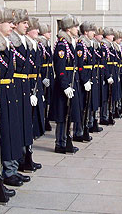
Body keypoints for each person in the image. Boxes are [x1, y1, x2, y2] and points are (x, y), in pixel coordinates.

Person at [0, 6, 28, 196]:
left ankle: (6, 175)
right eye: (9, 22)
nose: (12, 26)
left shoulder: (5, 44)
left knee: (8, 136)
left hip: (8, 95)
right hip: (0, 95)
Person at [9, 9, 42, 172]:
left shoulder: (25, 42)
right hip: (15, 88)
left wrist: (32, 91)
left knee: (26, 125)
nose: (27, 26)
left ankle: (26, 158)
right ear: (16, 25)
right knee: (19, 126)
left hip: (25, 88)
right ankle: (19, 161)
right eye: (24, 23)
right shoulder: (12, 42)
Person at [49, 14, 80, 154]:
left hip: (71, 81)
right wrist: (65, 85)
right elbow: (60, 67)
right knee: (62, 115)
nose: (77, 29)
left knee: (69, 113)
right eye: (75, 26)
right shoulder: (62, 44)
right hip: (64, 83)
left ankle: (66, 140)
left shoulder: (70, 43)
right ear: (68, 28)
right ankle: (60, 143)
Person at [75, 21, 97, 142]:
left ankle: (85, 129)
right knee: (82, 106)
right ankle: (79, 131)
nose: (94, 33)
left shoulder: (89, 44)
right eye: (92, 30)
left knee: (87, 106)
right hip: (84, 77)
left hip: (90, 76)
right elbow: (80, 64)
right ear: (86, 32)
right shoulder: (81, 45)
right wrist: (84, 80)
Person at [26, 18, 45, 139]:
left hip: (36, 81)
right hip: (27, 82)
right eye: (35, 29)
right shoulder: (26, 45)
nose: (38, 31)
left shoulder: (35, 44)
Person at [37, 23, 54, 132]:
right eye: (48, 32)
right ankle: (43, 120)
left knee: (48, 99)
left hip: (49, 73)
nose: (50, 34)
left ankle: (46, 118)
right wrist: (42, 77)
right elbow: (39, 62)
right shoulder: (40, 44)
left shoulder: (46, 44)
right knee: (43, 100)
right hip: (44, 73)